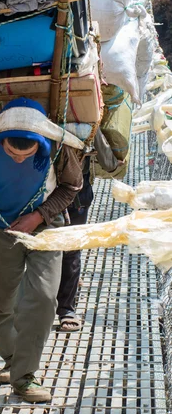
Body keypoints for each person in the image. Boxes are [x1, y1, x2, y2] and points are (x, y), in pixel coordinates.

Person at [0, 97, 83, 403]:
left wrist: (38, 216)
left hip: (46, 230)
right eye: (11, 153)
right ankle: (14, 360)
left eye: (26, 155)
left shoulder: (59, 147)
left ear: (41, 144)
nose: (17, 159)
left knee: (41, 296)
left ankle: (25, 377)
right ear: (0, 141)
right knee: (2, 303)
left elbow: (72, 186)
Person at [56, 129, 123, 332]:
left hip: (73, 191)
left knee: (70, 248)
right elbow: (109, 162)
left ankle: (66, 308)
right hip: (44, 189)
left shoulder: (83, 112)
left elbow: (100, 143)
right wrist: (113, 164)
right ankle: (59, 305)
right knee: (56, 250)